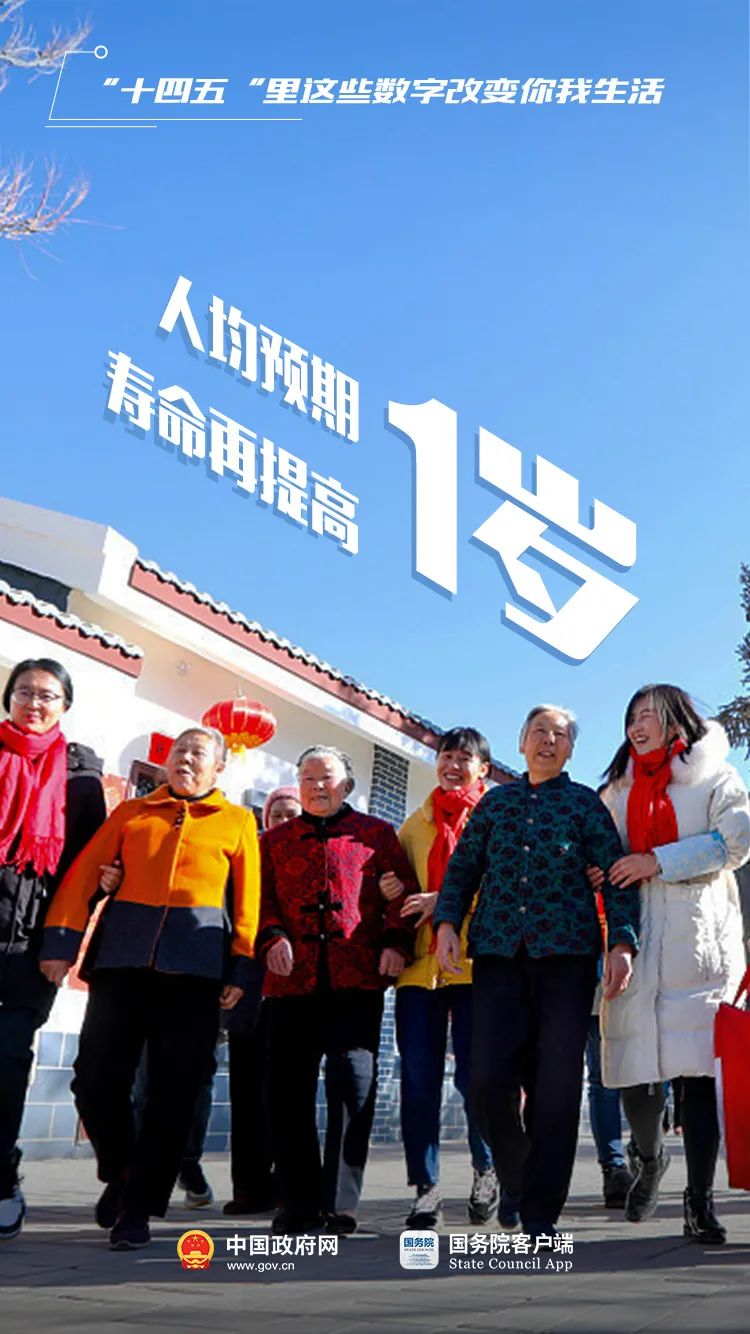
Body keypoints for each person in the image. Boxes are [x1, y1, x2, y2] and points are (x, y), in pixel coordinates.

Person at [39, 725, 260, 1251]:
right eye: (179, 750)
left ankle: (138, 1206)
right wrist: (61, 940)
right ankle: (120, 1172)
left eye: (198, 752)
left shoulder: (237, 822)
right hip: (123, 961)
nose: (185, 758)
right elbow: (86, 875)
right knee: (94, 1078)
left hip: (196, 973)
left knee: (174, 1091)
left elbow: (249, 901)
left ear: (219, 767)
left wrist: (242, 970)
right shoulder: (133, 813)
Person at [434, 705, 639, 1239]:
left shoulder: (584, 804)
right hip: (498, 954)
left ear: (571, 749)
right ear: (522, 742)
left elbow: (616, 875)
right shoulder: (496, 803)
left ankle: (540, 1213)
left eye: (560, 734)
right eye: (539, 732)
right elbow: (463, 867)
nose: (549, 740)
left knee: (556, 1088)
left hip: (567, 959)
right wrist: (447, 923)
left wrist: (621, 943)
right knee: (486, 1081)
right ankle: (520, 1178)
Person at [597, 685, 750, 1243]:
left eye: (649, 716)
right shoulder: (617, 789)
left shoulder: (716, 777)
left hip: (700, 947)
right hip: (635, 943)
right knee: (634, 1070)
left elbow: (736, 843)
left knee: (699, 1076)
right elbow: (599, 851)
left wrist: (655, 861)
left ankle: (698, 1200)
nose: (637, 726)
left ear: (676, 722)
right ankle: (649, 1156)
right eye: (631, 717)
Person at [258, 746, 418, 1235]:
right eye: (307, 777)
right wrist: (272, 937)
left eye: (325, 777)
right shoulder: (274, 841)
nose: (316, 786)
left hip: (355, 980)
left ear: (346, 784)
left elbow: (403, 894)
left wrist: (395, 943)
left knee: (352, 1083)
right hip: (291, 981)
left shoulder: (377, 834)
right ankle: (297, 1203)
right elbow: (258, 901)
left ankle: (340, 1203)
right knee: (287, 1092)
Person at [0, 658, 108, 1241]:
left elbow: (86, 871)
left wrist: (62, 942)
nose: (33, 703)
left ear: (65, 704)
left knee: (8, 1056)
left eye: (46, 695)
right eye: (23, 692)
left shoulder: (81, 776)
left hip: (30, 943)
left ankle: (1, 1172)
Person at [379, 726, 498, 1229]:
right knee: (419, 1080)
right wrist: (392, 890)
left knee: (477, 1079)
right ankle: (425, 1187)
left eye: (464, 758)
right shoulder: (414, 825)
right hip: (419, 970)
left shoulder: (496, 818)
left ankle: (486, 1170)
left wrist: (443, 901)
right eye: (446, 756)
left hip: (476, 967)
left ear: (483, 769)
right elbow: (398, 894)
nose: (453, 766)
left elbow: (503, 887)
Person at [222, 785, 302, 1217]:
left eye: (292, 814)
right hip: (249, 992)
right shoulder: (247, 858)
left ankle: (289, 1185)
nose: (284, 822)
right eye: (277, 815)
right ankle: (249, 1187)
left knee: (286, 1095)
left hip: (293, 992)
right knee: (246, 1094)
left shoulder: (307, 860)